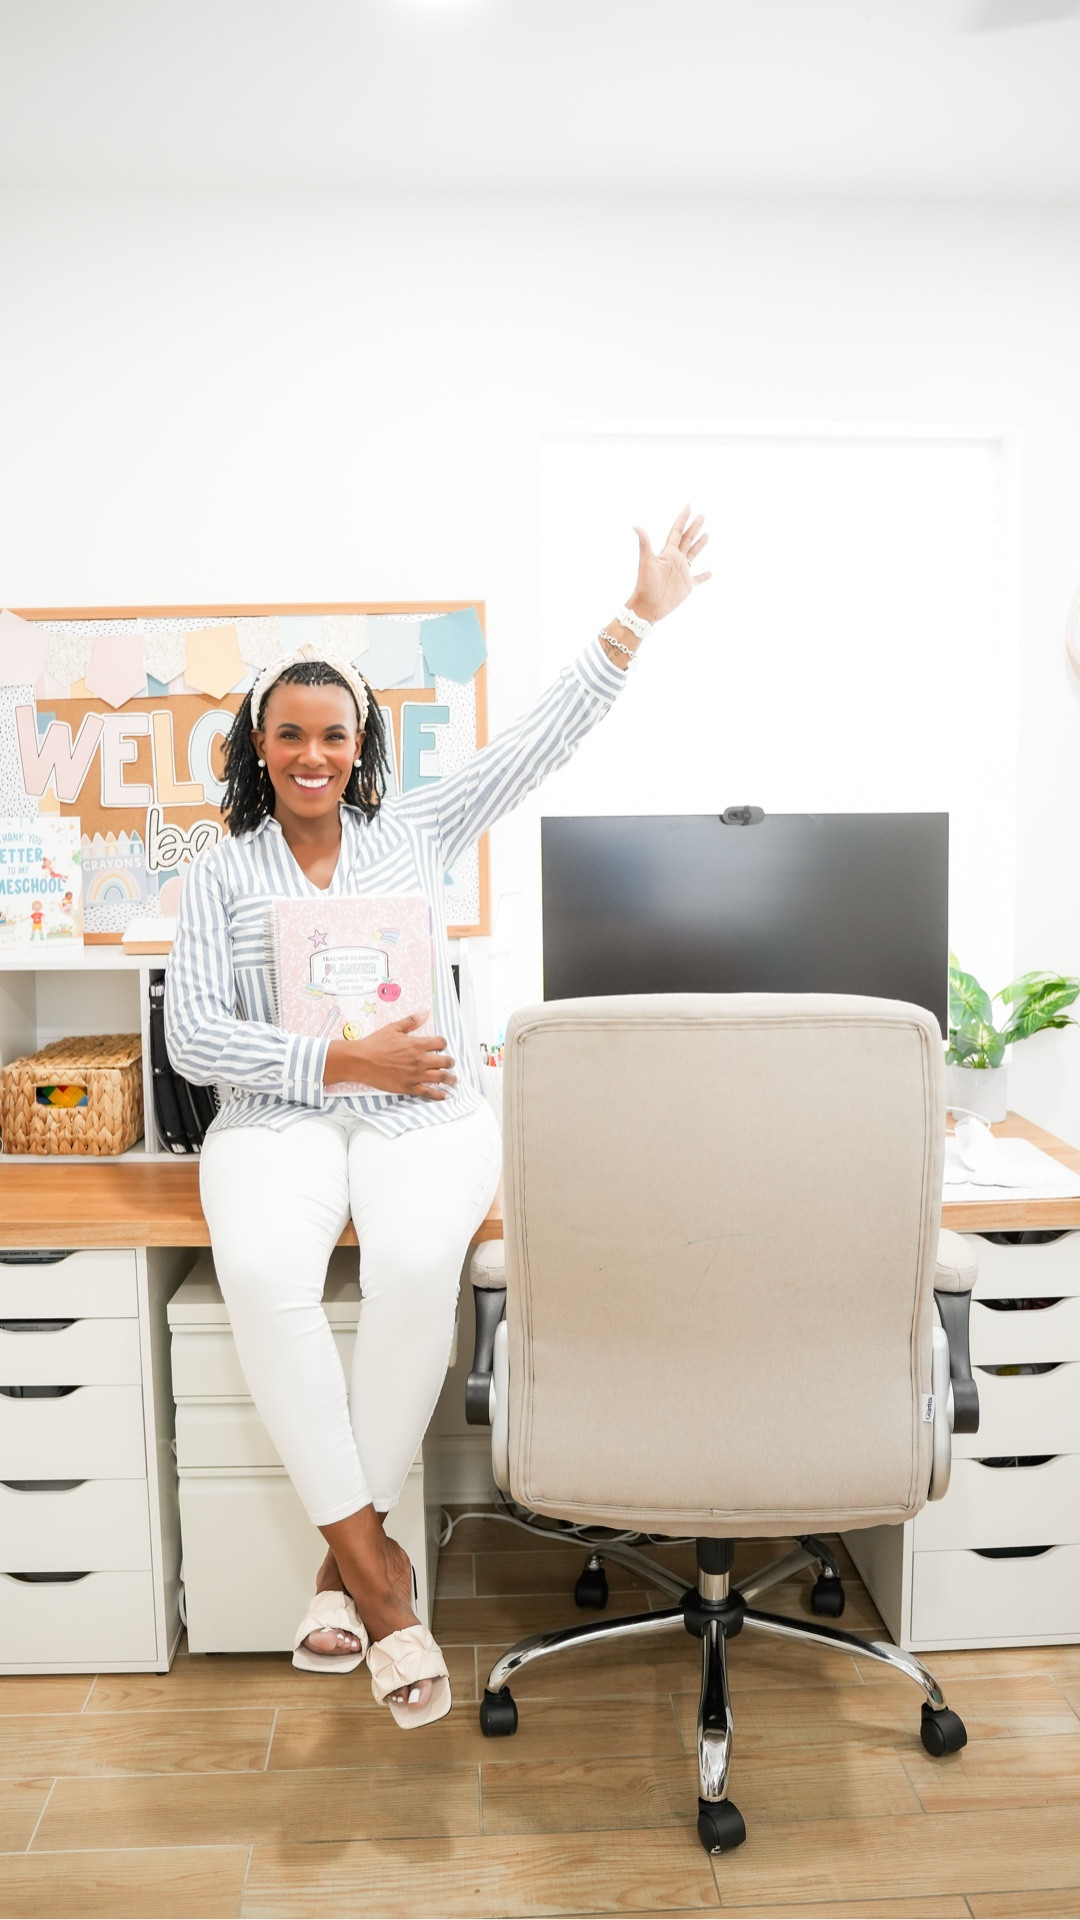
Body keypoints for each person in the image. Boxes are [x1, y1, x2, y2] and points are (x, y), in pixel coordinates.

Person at [165, 506, 710, 1726]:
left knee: (418, 1263)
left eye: (334, 735)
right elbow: (192, 1037)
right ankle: (383, 1578)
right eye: (289, 735)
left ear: (362, 747)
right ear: (259, 745)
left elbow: (538, 741)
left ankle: (338, 1568)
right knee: (259, 1273)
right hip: (279, 1118)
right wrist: (336, 1055)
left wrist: (636, 619)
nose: (312, 754)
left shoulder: (413, 829)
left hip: (424, 1114)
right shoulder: (219, 872)